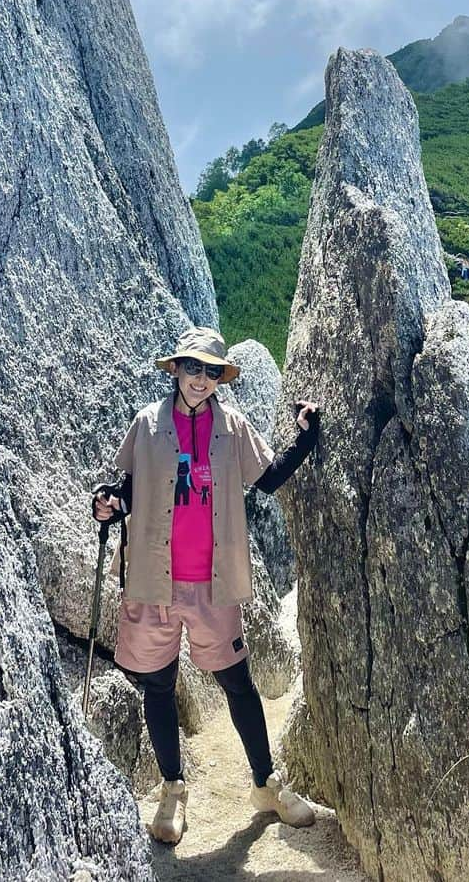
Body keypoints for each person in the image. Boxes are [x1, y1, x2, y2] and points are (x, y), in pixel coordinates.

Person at [92, 326, 320, 846]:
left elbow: (267, 478)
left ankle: (266, 782)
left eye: (211, 371)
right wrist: (107, 504)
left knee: (237, 681)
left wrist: (304, 437)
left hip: (211, 584)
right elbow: (124, 491)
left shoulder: (232, 427)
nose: (201, 379)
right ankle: (173, 789)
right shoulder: (147, 426)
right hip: (155, 582)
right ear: (175, 369)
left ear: (221, 378)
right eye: (192, 368)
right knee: (159, 684)